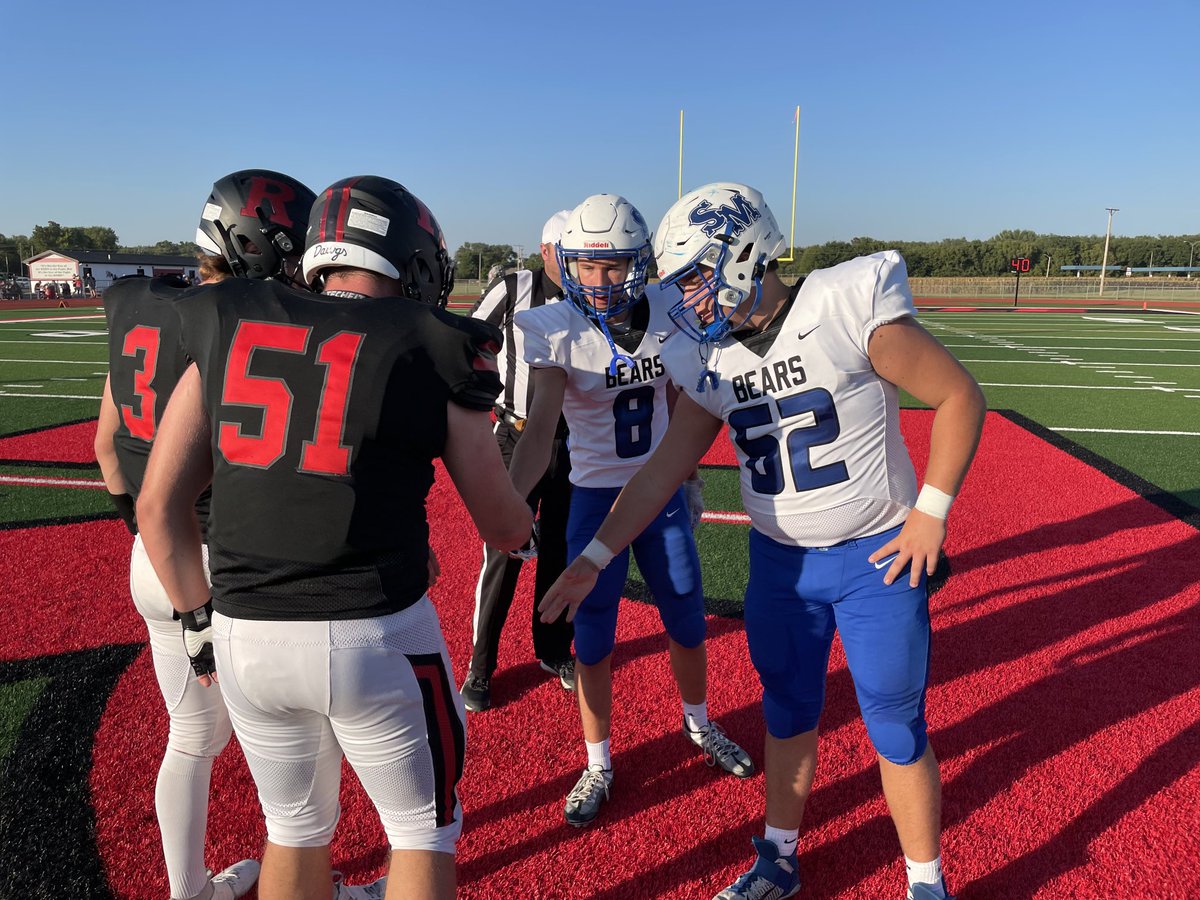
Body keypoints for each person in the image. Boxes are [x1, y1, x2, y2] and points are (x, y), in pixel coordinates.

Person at [539, 183, 986, 899]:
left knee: (896, 726)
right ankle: (779, 858)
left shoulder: (844, 305)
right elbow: (661, 473)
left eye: (693, 278)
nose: (685, 302)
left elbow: (959, 394)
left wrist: (932, 512)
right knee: (787, 713)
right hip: (780, 565)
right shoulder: (709, 359)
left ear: (742, 251)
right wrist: (595, 556)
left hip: (875, 555)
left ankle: (925, 883)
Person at [137, 175, 533, 900]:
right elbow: (502, 523)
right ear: (411, 262)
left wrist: (197, 623)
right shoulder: (432, 341)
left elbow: (159, 504)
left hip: (243, 636)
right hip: (375, 635)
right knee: (421, 831)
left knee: (292, 825)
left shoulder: (228, 314)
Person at [94, 169, 319, 900]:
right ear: (255, 246)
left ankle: (189, 891)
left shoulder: (139, 305)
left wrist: (150, 539)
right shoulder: (238, 319)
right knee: (306, 753)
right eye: (291, 251)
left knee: (192, 738)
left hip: (152, 559)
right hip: (231, 565)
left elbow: (105, 447)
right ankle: (311, 885)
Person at [506, 193, 753, 828]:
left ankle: (698, 723)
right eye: (586, 266)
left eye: (613, 265)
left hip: (660, 492)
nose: (599, 280)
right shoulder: (553, 326)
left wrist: (690, 474)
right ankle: (598, 759)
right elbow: (538, 431)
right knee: (591, 639)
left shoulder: (672, 309)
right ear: (566, 263)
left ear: (641, 262)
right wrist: (509, 503)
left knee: (687, 615)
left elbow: (681, 394)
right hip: (592, 497)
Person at [458, 209, 576, 713]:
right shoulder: (515, 286)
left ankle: (552, 651)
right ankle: (481, 666)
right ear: (547, 251)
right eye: (568, 253)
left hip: (574, 441)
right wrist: (482, 402)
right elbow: (465, 340)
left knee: (560, 552)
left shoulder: (588, 294)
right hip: (518, 432)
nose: (578, 263)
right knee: (505, 552)